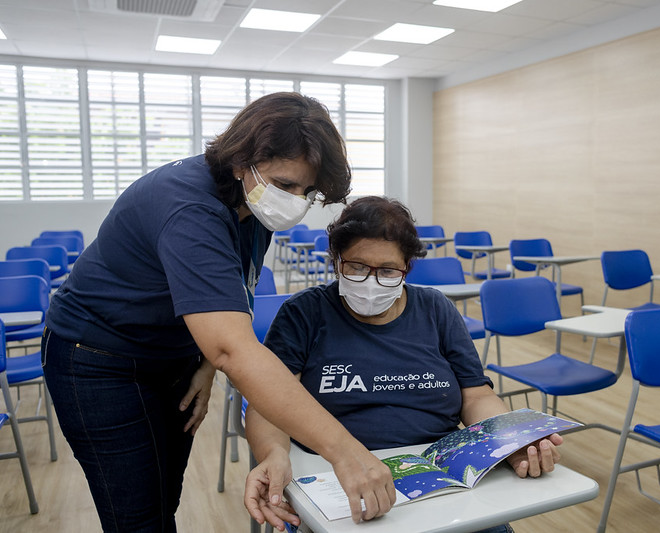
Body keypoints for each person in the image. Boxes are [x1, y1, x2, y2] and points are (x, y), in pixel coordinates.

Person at [42, 93, 395, 532]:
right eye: (285, 185)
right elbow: (234, 347)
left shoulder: (253, 203)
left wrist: (205, 365)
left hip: (172, 351)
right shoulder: (191, 208)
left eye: (308, 192)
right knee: (137, 516)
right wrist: (346, 451)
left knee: (164, 495)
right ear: (240, 161)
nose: (295, 201)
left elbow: (236, 291)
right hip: (98, 357)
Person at [244, 196, 563, 533]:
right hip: (337, 475)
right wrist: (273, 453)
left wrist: (508, 440)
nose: (370, 282)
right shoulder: (304, 313)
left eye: (386, 271)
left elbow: (476, 397)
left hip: (439, 472)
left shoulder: (435, 309)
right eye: (355, 267)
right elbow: (268, 405)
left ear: (406, 268)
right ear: (336, 261)